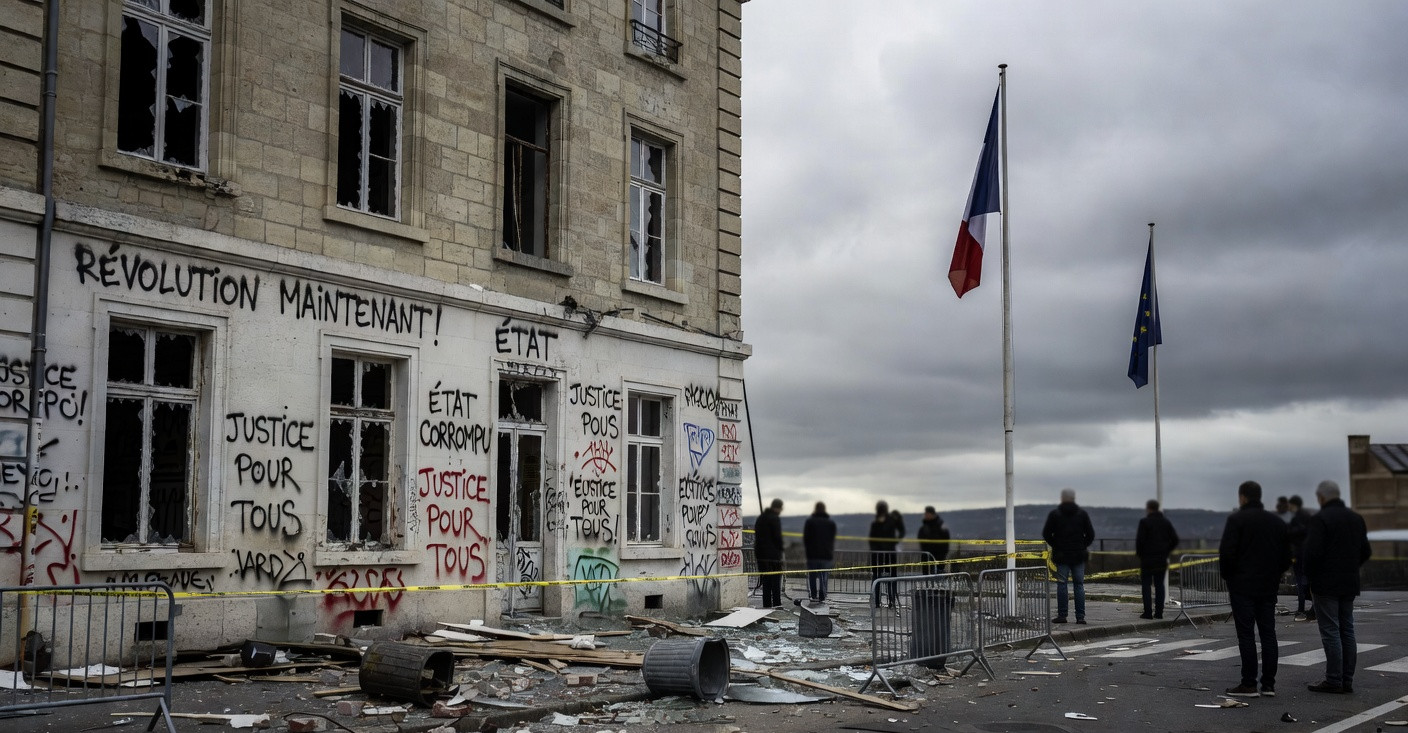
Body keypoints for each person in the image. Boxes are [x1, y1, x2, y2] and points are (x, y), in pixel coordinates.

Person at [1219, 480, 1291, 698]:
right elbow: (1286, 557)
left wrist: (1229, 577)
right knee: (1269, 634)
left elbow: (1227, 554)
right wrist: (1274, 574)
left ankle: (1249, 683)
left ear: (1242, 497)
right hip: (1267, 586)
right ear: (1259, 496)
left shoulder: (1236, 520)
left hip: (1242, 586)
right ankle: (1268, 684)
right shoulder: (1276, 523)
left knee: (1246, 635)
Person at [1303, 480, 1372, 694]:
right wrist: (1350, 567)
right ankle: (1347, 679)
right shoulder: (1356, 519)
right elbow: (1366, 551)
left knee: (1331, 631)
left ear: (1322, 497)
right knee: (1347, 630)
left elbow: (1312, 554)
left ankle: (1334, 679)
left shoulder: (1320, 519)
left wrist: (1310, 579)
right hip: (1349, 583)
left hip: (1326, 583)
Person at [1043, 488, 1095, 624]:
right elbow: (1091, 534)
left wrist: (1056, 544)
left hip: (1062, 555)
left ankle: (1062, 615)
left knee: (1062, 584)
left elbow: (1046, 534)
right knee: (1079, 585)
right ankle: (1080, 617)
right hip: (1078, 554)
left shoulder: (1055, 515)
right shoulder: (1082, 514)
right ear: (1073, 498)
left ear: (1062, 498)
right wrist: (1082, 545)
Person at [1135, 498, 1179, 619]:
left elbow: (1140, 541)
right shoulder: (1166, 522)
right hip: (1161, 558)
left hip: (1147, 559)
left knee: (1146, 585)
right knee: (1160, 585)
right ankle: (1159, 612)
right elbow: (1175, 539)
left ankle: (1148, 612)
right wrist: (1166, 550)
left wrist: (1141, 554)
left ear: (1148, 508)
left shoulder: (1144, 522)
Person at [868, 501, 903, 608]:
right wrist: (895, 542)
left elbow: (871, 540)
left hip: (880, 555)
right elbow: (902, 530)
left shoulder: (877, 523)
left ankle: (877, 601)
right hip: (889, 554)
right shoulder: (891, 521)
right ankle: (890, 600)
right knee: (890, 579)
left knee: (878, 578)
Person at [802, 501, 837, 603]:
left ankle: (813, 595)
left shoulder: (810, 522)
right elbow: (832, 538)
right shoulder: (830, 523)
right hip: (826, 554)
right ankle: (822, 595)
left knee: (812, 576)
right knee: (824, 575)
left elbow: (806, 539)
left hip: (812, 555)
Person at [753, 498, 785, 609]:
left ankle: (766, 604)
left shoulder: (760, 518)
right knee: (776, 581)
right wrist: (781, 551)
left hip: (761, 555)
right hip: (773, 556)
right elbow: (777, 538)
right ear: (777, 508)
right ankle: (776, 604)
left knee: (766, 581)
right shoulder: (774, 519)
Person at [1287, 494, 1315, 620]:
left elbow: (1292, 535)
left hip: (1299, 555)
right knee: (1308, 582)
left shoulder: (1297, 519)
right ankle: (1314, 607)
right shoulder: (1308, 517)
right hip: (1308, 554)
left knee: (1300, 582)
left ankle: (1301, 608)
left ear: (1294, 505)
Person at [916, 506, 951, 573]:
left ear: (931, 514)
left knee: (938, 577)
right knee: (927, 577)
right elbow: (920, 540)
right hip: (926, 557)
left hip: (938, 557)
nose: (925, 515)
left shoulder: (941, 526)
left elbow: (946, 542)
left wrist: (942, 556)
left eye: (927, 513)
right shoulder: (924, 527)